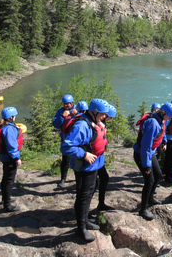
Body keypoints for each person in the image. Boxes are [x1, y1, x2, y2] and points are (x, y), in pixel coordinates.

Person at [60, 98, 110, 243]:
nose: (105, 117)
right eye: (102, 114)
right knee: (83, 195)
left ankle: (85, 220)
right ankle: (81, 228)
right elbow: (66, 147)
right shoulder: (82, 125)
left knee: (89, 192)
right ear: (94, 112)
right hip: (84, 166)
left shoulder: (94, 121)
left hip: (93, 166)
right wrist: (84, 154)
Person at [133, 102, 172, 220]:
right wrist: (146, 166)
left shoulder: (161, 119)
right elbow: (145, 146)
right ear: (163, 113)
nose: (170, 119)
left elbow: (162, 133)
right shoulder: (153, 123)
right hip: (142, 154)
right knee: (149, 180)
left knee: (158, 175)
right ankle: (143, 209)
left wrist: (164, 142)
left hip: (150, 152)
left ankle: (151, 198)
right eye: (169, 117)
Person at [0, 107, 23, 212]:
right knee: (9, 180)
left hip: (4, 156)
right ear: (11, 117)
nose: (15, 117)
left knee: (5, 178)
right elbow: (12, 145)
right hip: (9, 157)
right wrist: (17, 158)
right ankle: (7, 205)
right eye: (14, 116)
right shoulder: (9, 129)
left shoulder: (3, 126)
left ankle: (5, 198)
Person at [95, 104, 117, 211]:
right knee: (98, 181)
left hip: (99, 157)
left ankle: (101, 204)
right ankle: (99, 205)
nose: (110, 119)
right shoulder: (95, 123)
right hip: (93, 158)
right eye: (110, 117)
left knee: (104, 178)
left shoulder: (101, 122)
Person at [53, 94, 77, 188]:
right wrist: (62, 117)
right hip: (65, 138)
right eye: (65, 104)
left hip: (76, 139)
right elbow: (55, 124)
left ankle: (77, 178)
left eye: (68, 104)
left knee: (77, 158)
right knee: (65, 159)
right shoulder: (60, 112)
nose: (66, 106)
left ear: (72, 103)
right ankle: (63, 179)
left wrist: (77, 114)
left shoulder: (78, 109)